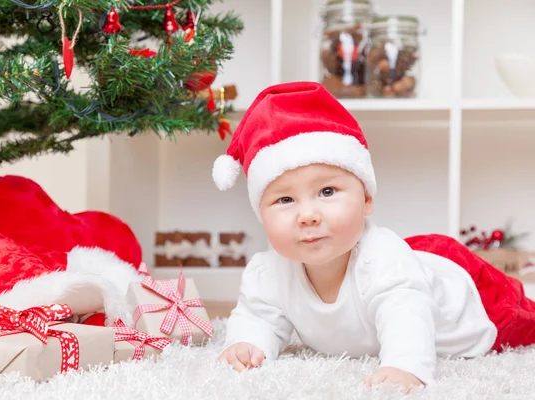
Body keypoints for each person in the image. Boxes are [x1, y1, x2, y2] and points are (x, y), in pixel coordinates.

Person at [210, 81, 535, 390]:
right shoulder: (269, 272)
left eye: (327, 191)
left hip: (467, 300)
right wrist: (246, 345)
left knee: (521, 318)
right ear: (261, 214)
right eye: (285, 200)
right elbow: (258, 316)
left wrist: (404, 366)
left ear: (366, 199)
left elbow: (406, 314)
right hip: (410, 263)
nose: (307, 215)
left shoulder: (383, 260)